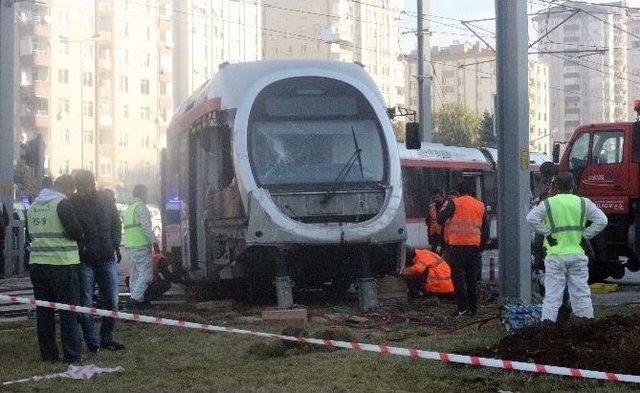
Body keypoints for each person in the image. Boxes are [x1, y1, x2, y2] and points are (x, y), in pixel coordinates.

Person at [526, 172, 607, 322]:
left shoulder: (549, 203)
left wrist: (547, 233)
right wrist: (585, 235)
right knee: (581, 295)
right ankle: (586, 327)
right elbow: (602, 220)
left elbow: (531, 218)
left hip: (555, 256)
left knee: (552, 297)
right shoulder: (583, 203)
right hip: (577, 255)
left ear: (556, 186)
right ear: (573, 185)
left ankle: (548, 328)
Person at [27, 175, 84, 363]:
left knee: (44, 312)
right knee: (68, 311)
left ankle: (49, 355)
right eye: (71, 190)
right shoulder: (62, 203)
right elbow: (76, 232)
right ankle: (72, 354)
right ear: (65, 187)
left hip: (37, 265)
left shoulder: (34, 206)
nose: (71, 194)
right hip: (62, 264)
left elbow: (31, 234)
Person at [71, 170, 125, 352]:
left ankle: (107, 337)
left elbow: (117, 223)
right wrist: (82, 249)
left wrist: (114, 244)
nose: (82, 190)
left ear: (92, 184)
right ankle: (92, 342)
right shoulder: (72, 203)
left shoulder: (105, 199)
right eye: (80, 187)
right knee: (85, 303)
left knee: (111, 301)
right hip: (85, 260)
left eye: (85, 186)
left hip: (106, 257)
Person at [437, 182, 488, 317]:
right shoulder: (480, 205)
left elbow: (440, 219)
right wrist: (480, 247)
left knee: (458, 279)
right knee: (471, 280)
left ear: (459, 192)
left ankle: (462, 309)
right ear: (471, 192)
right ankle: (473, 309)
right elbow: (485, 231)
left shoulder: (454, 203)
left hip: (457, 248)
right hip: (474, 248)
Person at [122, 184, 155, 309]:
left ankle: (137, 299)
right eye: (146, 193)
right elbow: (146, 228)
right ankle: (135, 300)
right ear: (142, 193)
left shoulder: (129, 209)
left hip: (130, 246)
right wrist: (154, 242)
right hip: (141, 246)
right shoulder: (141, 207)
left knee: (135, 275)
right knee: (146, 274)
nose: (147, 195)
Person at [425, 189, 445, 254]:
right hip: (434, 235)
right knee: (434, 255)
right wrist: (429, 237)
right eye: (434, 197)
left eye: (437, 197)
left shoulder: (447, 206)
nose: (436, 199)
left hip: (444, 235)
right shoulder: (431, 207)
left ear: (442, 197)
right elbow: (428, 222)